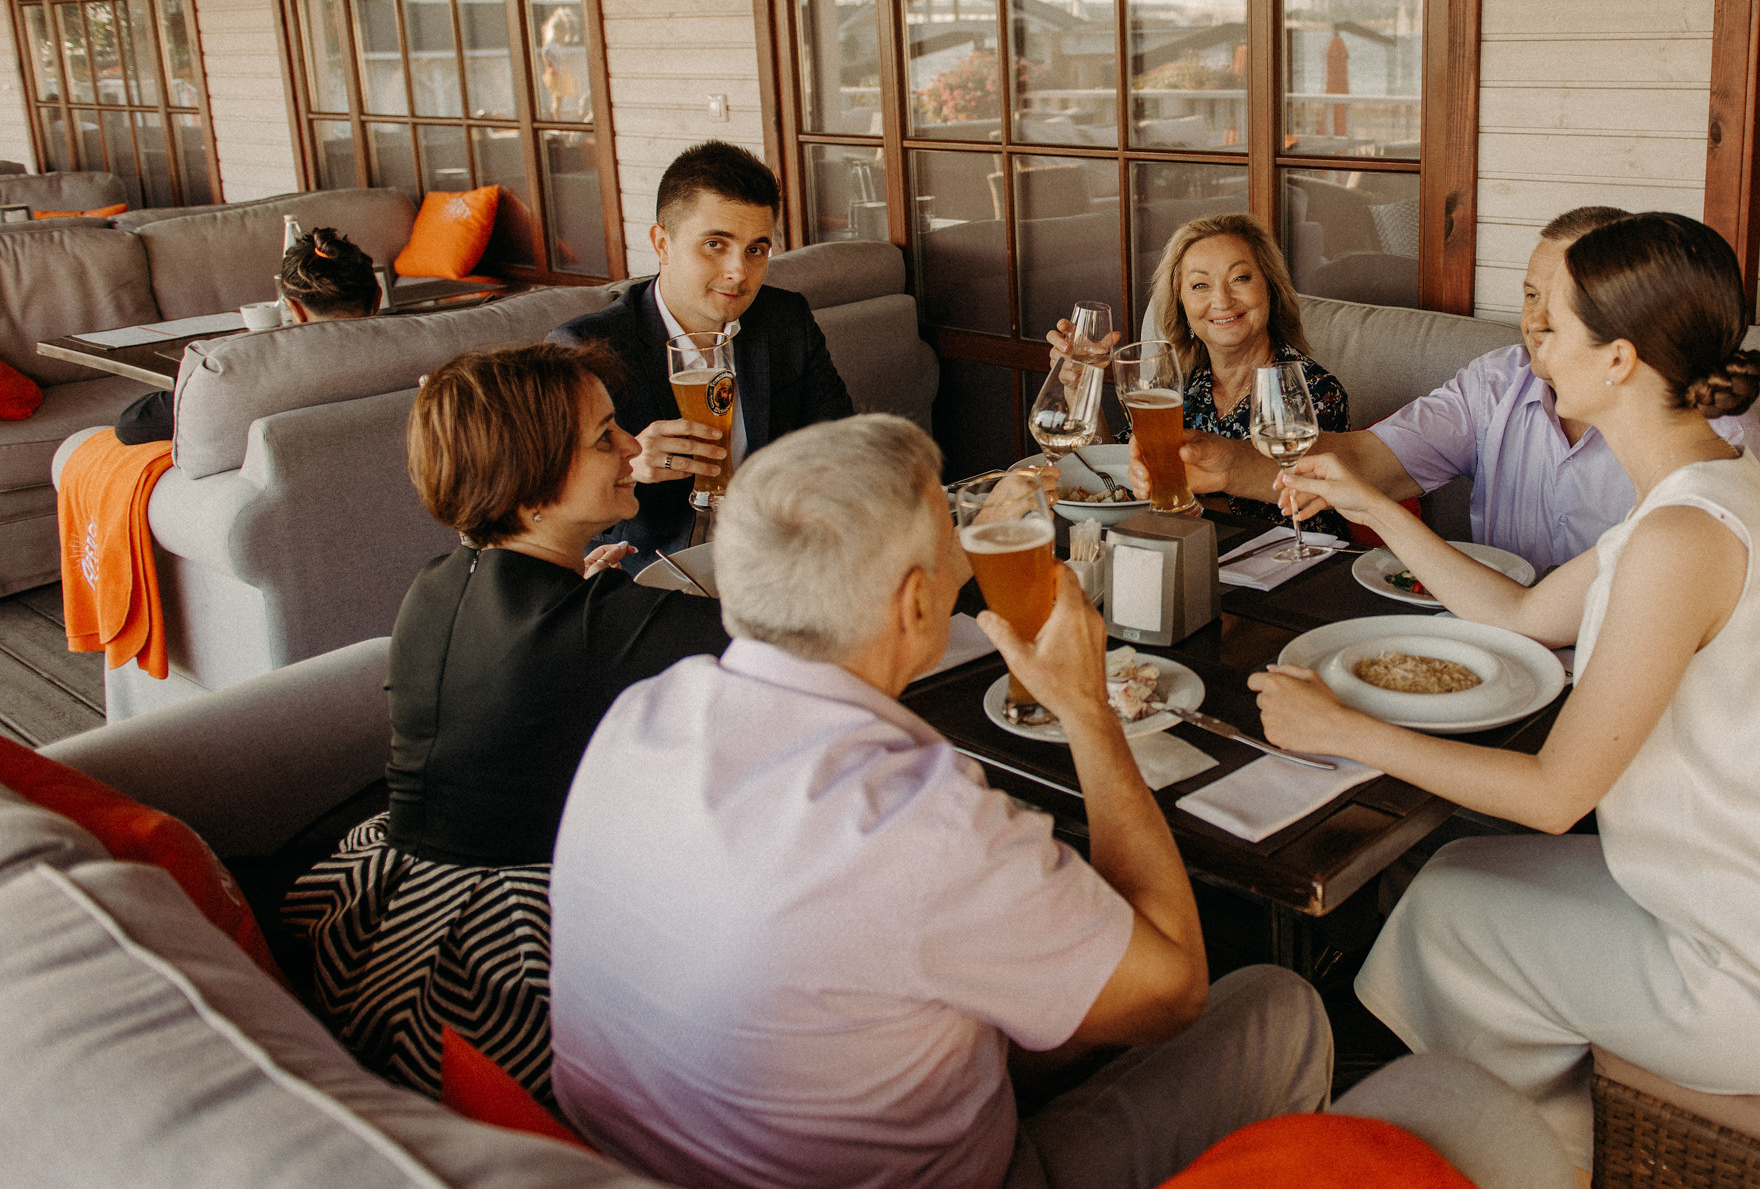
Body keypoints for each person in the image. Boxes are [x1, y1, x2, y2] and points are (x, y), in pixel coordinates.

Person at [1247, 213, 1760, 1167]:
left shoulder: (1679, 541)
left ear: (1621, 360)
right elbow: (1519, 618)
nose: (1532, 349)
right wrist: (1378, 510)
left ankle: (1503, 1151)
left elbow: (1557, 797)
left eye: (1550, 328)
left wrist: (1344, 728)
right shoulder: (1708, 489)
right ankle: (1533, 1144)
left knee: (1456, 926)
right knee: (1446, 894)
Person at [549, 415, 1332, 1189]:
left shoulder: (641, 715)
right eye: (949, 541)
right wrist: (1087, 709)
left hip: (630, 1160)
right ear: (919, 604)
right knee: (1278, 1006)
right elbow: (1172, 993)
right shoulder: (918, 821)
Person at [280, 344, 730, 1106]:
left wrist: (586, 592)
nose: (633, 447)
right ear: (531, 499)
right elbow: (799, 641)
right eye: (604, 438)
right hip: (493, 957)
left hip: (383, 897)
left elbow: (531, 663)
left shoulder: (437, 582)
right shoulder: (593, 628)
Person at [1130, 206, 1760, 574]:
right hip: (1497, 634)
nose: (1536, 323)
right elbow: (1366, 462)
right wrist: (1227, 464)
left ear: (1620, 337)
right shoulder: (1497, 383)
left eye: (1563, 305)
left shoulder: (1704, 450)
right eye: (1529, 295)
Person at [550, 141, 853, 564]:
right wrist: (627, 467)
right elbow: (545, 509)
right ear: (662, 244)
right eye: (715, 244)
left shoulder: (785, 320)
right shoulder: (584, 350)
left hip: (780, 558)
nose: (739, 272)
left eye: (756, 249)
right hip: (653, 575)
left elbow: (841, 445)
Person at [1048, 213, 1349, 535]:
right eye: (1200, 285)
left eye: (1241, 278)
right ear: (1182, 305)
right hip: (1178, 547)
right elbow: (1117, 469)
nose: (1221, 300)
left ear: (1270, 289)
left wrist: (1148, 503)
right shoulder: (1182, 385)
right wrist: (1082, 388)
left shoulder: (1313, 390)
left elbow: (1290, 511)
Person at [113, 225, 382, 445]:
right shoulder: (416, 346)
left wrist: (192, 380)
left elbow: (133, 424)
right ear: (378, 298)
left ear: (294, 309)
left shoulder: (237, 373)